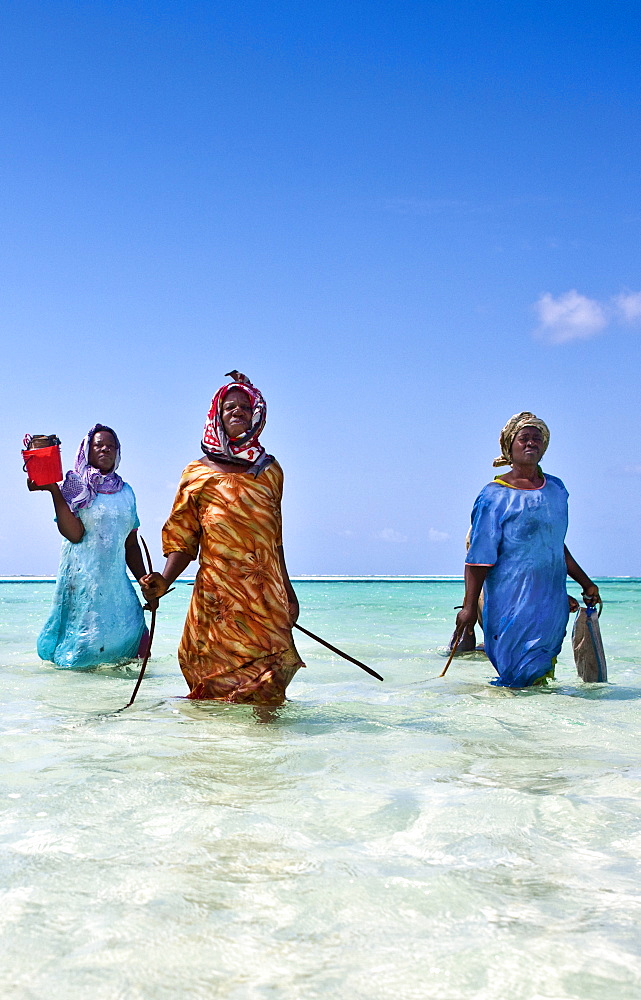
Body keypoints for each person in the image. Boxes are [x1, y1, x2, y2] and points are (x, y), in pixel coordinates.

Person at [141, 372, 304, 705]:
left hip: (264, 597)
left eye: (245, 407)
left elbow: (276, 539)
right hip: (217, 599)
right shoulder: (196, 474)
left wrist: (288, 591)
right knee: (209, 681)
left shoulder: (270, 472)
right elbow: (184, 537)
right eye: (230, 407)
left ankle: (268, 751)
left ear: (257, 416)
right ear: (217, 414)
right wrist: (163, 580)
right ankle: (215, 751)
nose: (237, 412)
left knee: (269, 682)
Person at [455, 412, 599, 687]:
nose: (531, 443)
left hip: (550, 601)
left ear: (544, 447)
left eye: (537, 438)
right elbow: (479, 558)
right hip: (510, 601)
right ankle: (508, 723)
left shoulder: (556, 489)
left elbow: (555, 545)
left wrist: (586, 583)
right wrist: (469, 608)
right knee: (515, 675)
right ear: (510, 446)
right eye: (524, 438)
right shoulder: (493, 495)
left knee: (538, 673)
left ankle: (541, 724)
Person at [29, 424, 150, 670]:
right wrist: (54, 490)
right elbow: (73, 534)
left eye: (111, 446)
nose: (106, 449)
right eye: (99, 445)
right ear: (87, 450)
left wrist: (144, 581)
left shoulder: (126, 492)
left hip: (116, 586)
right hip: (83, 583)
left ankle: (131, 702)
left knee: (136, 646)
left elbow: (130, 543)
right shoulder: (75, 485)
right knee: (82, 652)